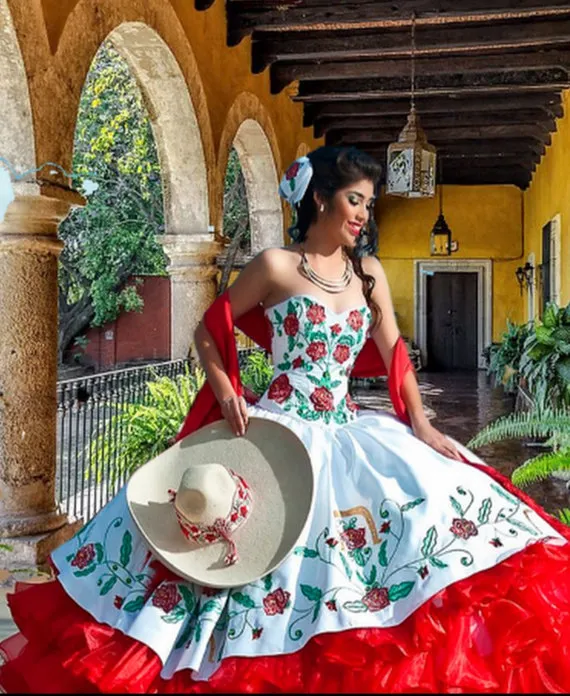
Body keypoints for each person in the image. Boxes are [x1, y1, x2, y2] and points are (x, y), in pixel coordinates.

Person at [1, 146, 569, 694]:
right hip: (274, 427)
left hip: (348, 429)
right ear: (320, 198)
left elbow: (396, 355)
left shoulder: (368, 272)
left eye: (369, 204)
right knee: (248, 555)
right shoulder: (276, 264)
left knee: (431, 516)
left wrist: (421, 425)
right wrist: (226, 394)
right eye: (355, 200)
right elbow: (208, 326)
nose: (364, 216)